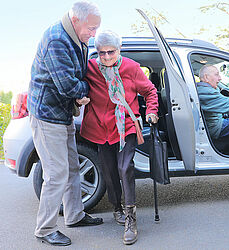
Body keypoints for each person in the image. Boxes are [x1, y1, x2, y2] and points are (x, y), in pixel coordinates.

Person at [27, 1, 103, 247]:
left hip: (62, 114)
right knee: (56, 174)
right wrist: (88, 90)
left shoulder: (77, 36)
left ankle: (75, 215)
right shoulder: (56, 39)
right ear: (76, 19)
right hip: (47, 117)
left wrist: (81, 89)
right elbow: (69, 85)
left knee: (72, 167)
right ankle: (45, 229)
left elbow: (78, 77)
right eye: (91, 28)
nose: (93, 34)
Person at [79, 30, 159, 245]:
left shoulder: (131, 67)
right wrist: (79, 100)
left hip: (126, 126)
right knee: (109, 171)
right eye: (101, 52)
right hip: (100, 127)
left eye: (110, 52)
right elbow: (79, 88)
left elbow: (150, 91)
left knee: (125, 167)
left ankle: (131, 219)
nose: (105, 57)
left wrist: (152, 111)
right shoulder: (91, 67)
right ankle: (117, 207)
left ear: (119, 49)